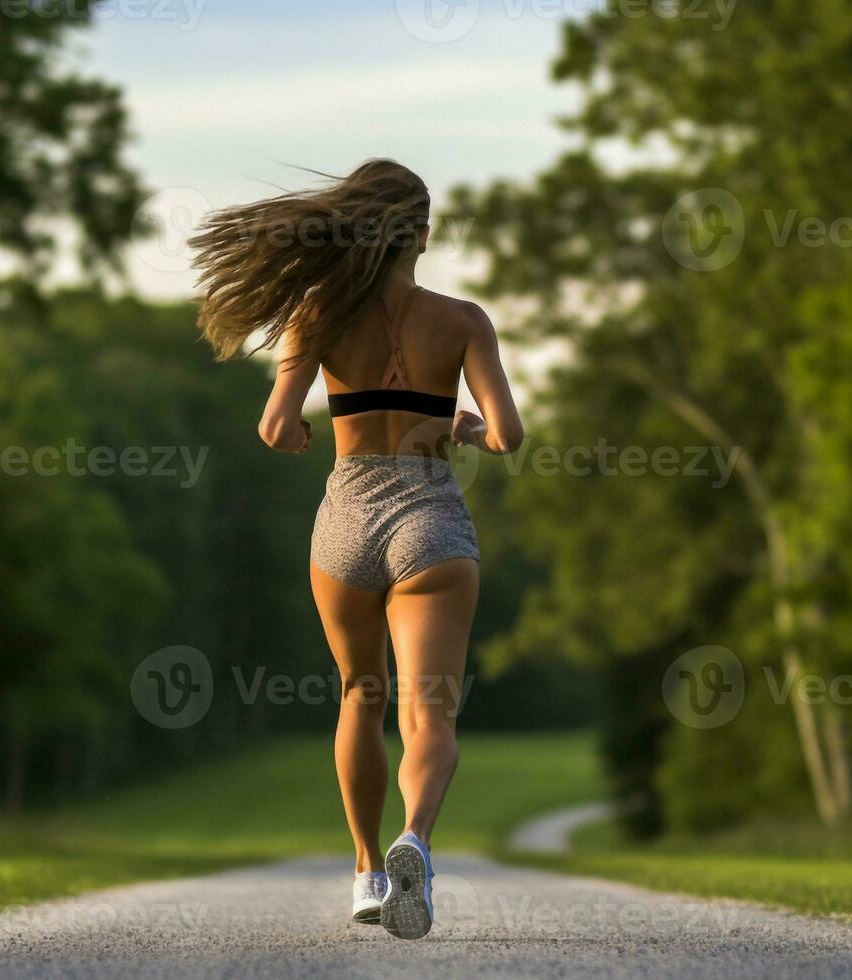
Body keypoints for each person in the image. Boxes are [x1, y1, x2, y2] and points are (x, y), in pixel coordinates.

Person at [190, 159, 523, 939]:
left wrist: (301, 427)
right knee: (428, 710)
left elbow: (274, 426)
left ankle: (368, 871)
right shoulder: (463, 320)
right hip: (430, 521)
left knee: (359, 695)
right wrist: (468, 428)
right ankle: (418, 841)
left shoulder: (316, 312)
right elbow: (509, 435)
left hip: (346, 519)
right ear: (424, 237)